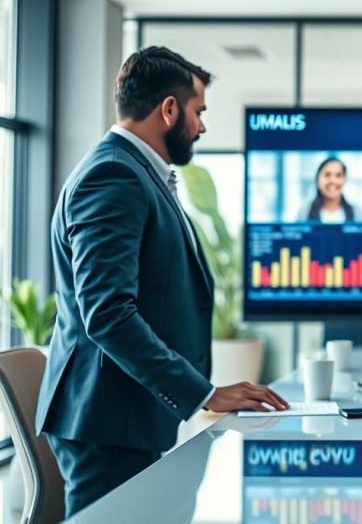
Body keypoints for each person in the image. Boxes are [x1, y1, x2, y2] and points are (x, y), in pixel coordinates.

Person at [36, 46, 288, 518]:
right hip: (110, 422)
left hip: (125, 417)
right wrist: (205, 394)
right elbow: (108, 315)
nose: (202, 127)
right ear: (169, 109)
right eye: (199, 112)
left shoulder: (135, 172)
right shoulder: (113, 175)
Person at [304, 156, 360, 223]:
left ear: (345, 180)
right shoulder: (305, 211)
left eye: (338, 175)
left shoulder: (357, 213)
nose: (332, 180)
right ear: (317, 179)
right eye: (327, 175)